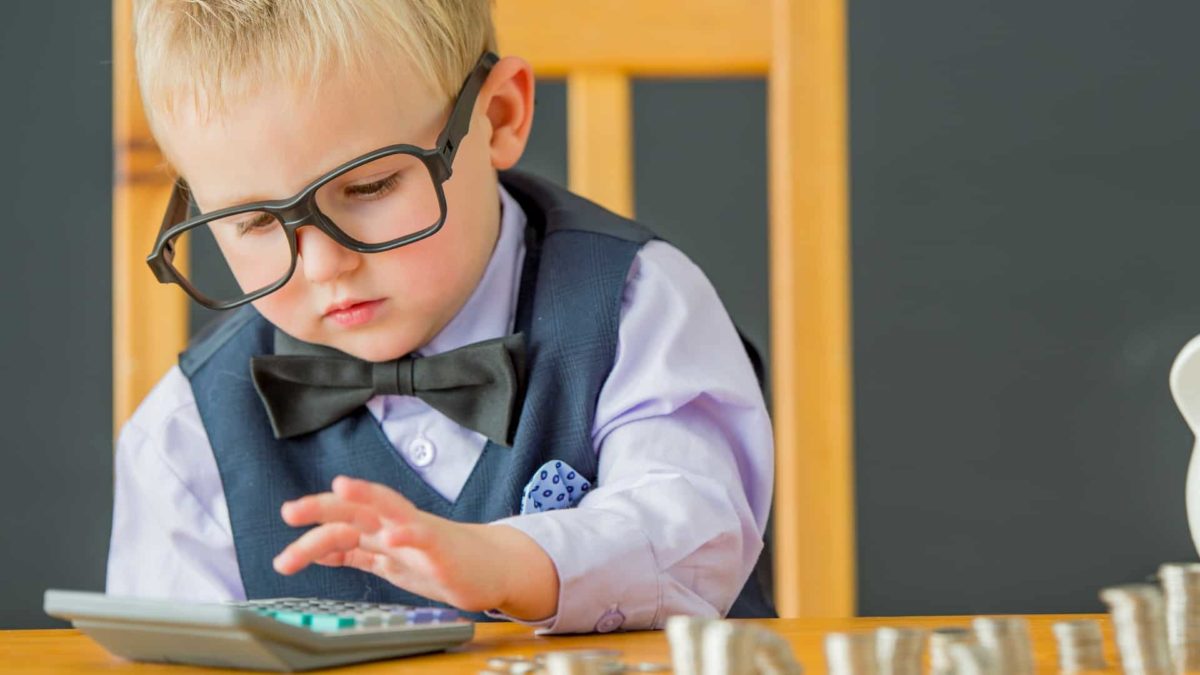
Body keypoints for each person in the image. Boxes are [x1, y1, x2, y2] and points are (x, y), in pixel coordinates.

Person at [108, 0, 775, 634]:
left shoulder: (636, 308)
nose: (322, 265)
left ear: (502, 116)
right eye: (253, 221)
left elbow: (696, 535)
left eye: (369, 186)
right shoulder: (187, 438)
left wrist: (515, 563)